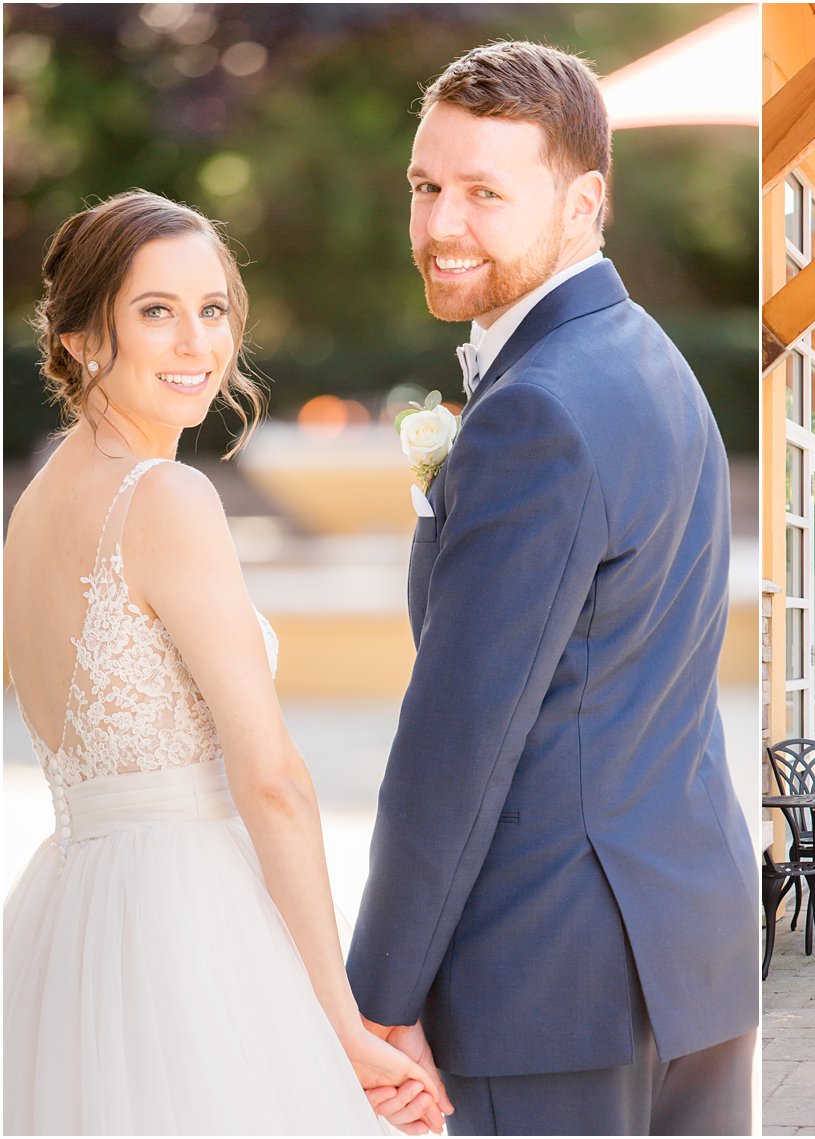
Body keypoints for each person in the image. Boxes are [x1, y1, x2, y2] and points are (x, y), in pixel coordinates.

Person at [345, 41, 758, 1136]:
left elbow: (457, 744)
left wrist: (378, 995)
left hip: (544, 985)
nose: (438, 226)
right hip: (690, 956)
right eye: (426, 187)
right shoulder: (651, 363)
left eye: (485, 193)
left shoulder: (537, 409)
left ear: (583, 203)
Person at [2, 190, 444, 1135]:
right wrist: (335, 1018)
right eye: (155, 311)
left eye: (213, 310)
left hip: (72, 912)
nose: (196, 343)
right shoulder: (164, 495)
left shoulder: (37, 503)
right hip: (182, 920)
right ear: (82, 336)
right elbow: (273, 778)